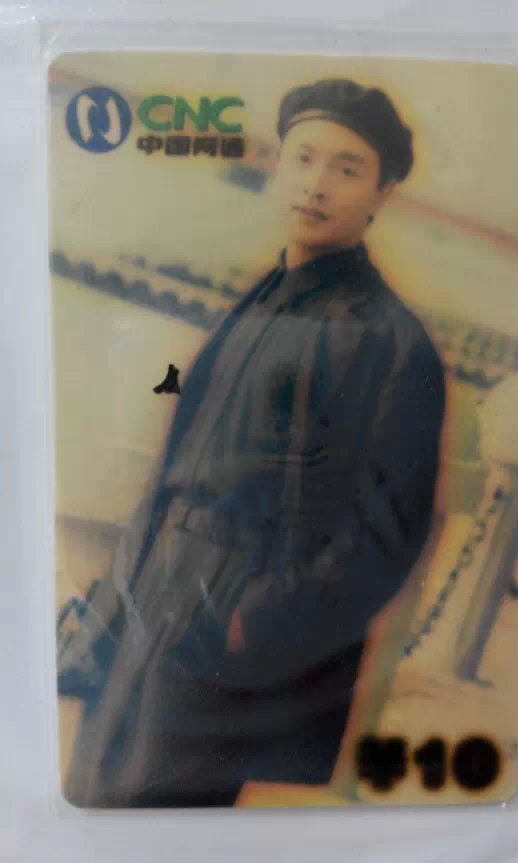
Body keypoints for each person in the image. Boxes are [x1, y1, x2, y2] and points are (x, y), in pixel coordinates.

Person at [59, 77, 446, 808]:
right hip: (154, 585)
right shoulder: (259, 301)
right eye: (304, 157)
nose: (317, 183)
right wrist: (123, 588)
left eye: (347, 167)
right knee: (91, 793)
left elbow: (385, 536)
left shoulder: (391, 341)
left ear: (382, 193)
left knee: (165, 815)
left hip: (231, 612)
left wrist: (252, 624)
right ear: (278, 165)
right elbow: (177, 469)